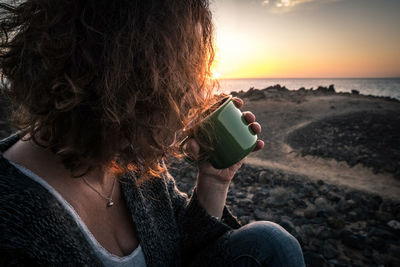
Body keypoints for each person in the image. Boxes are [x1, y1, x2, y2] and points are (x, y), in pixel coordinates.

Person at [0, 0, 305, 266]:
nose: (199, 96)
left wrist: (213, 180)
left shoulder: (127, 164)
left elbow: (183, 249)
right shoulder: (12, 221)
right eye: (185, 74)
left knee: (269, 242)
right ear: (126, 74)